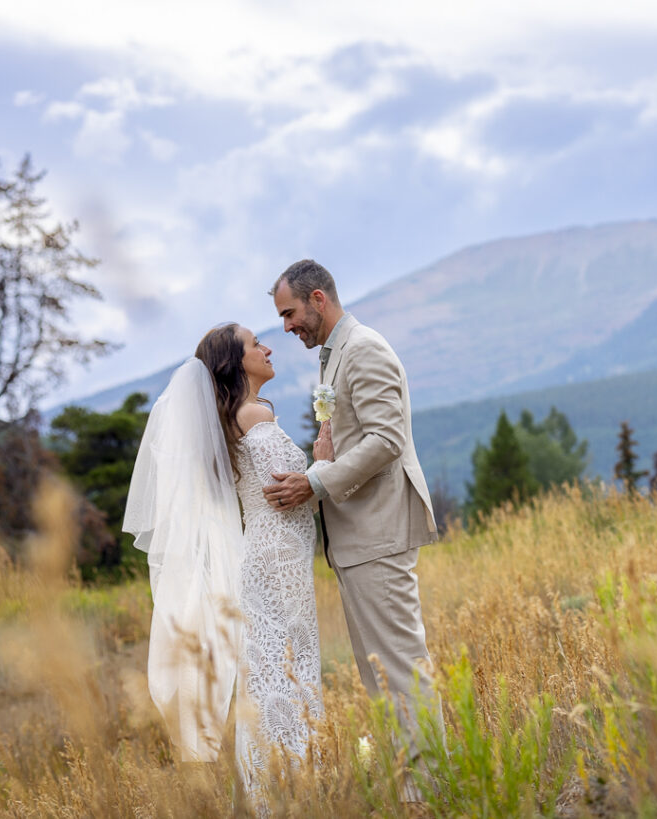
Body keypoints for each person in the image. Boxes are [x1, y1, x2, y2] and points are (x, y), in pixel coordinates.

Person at [124, 323, 330, 800]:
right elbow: (290, 487)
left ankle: (272, 787)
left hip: (268, 554)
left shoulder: (232, 417)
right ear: (235, 363)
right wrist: (323, 458)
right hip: (276, 558)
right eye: (256, 344)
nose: (267, 348)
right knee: (287, 669)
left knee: (269, 671)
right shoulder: (254, 414)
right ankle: (292, 787)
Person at [264, 259, 443, 799]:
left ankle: (429, 793)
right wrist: (324, 460)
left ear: (318, 299)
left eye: (290, 313)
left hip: (378, 532)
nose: (286, 327)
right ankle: (411, 788)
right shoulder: (334, 355)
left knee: (401, 668)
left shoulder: (363, 349)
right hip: (358, 537)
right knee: (380, 674)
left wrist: (315, 482)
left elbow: (387, 440)